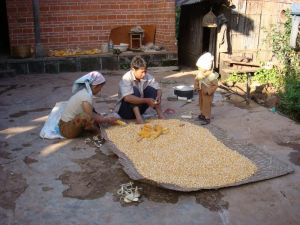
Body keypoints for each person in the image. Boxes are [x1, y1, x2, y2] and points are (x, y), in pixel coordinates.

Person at [59, 71, 117, 138]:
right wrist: (98, 131)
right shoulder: (86, 97)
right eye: (100, 88)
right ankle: (96, 133)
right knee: (86, 118)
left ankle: (93, 129)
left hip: (68, 124)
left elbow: (92, 113)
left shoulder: (85, 92)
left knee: (92, 114)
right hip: (66, 129)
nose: (100, 90)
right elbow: (89, 117)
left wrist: (106, 119)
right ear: (95, 86)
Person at [115, 56, 165, 124]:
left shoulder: (147, 76)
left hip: (140, 109)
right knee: (134, 91)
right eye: (142, 72)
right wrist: (147, 100)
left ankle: (160, 115)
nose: (144, 74)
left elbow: (158, 89)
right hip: (125, 112)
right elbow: (127, 98)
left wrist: (158, 96)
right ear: (133, 70)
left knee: (152, 89)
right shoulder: (126, 78)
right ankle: (139, 119)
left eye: (145, 71)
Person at [194, 52, 219, 125]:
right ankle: (202, 114)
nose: (199, 69)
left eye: (200, 68)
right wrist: (196, 87)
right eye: (198, 68)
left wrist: (208, 91)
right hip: (201, 91)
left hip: (207, 93)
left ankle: (207, 117)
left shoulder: (212, 76)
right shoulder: (199, 73)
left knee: (207, 105)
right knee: (201, 103)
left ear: (206, 68)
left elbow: (215, 85)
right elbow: (196, 80)